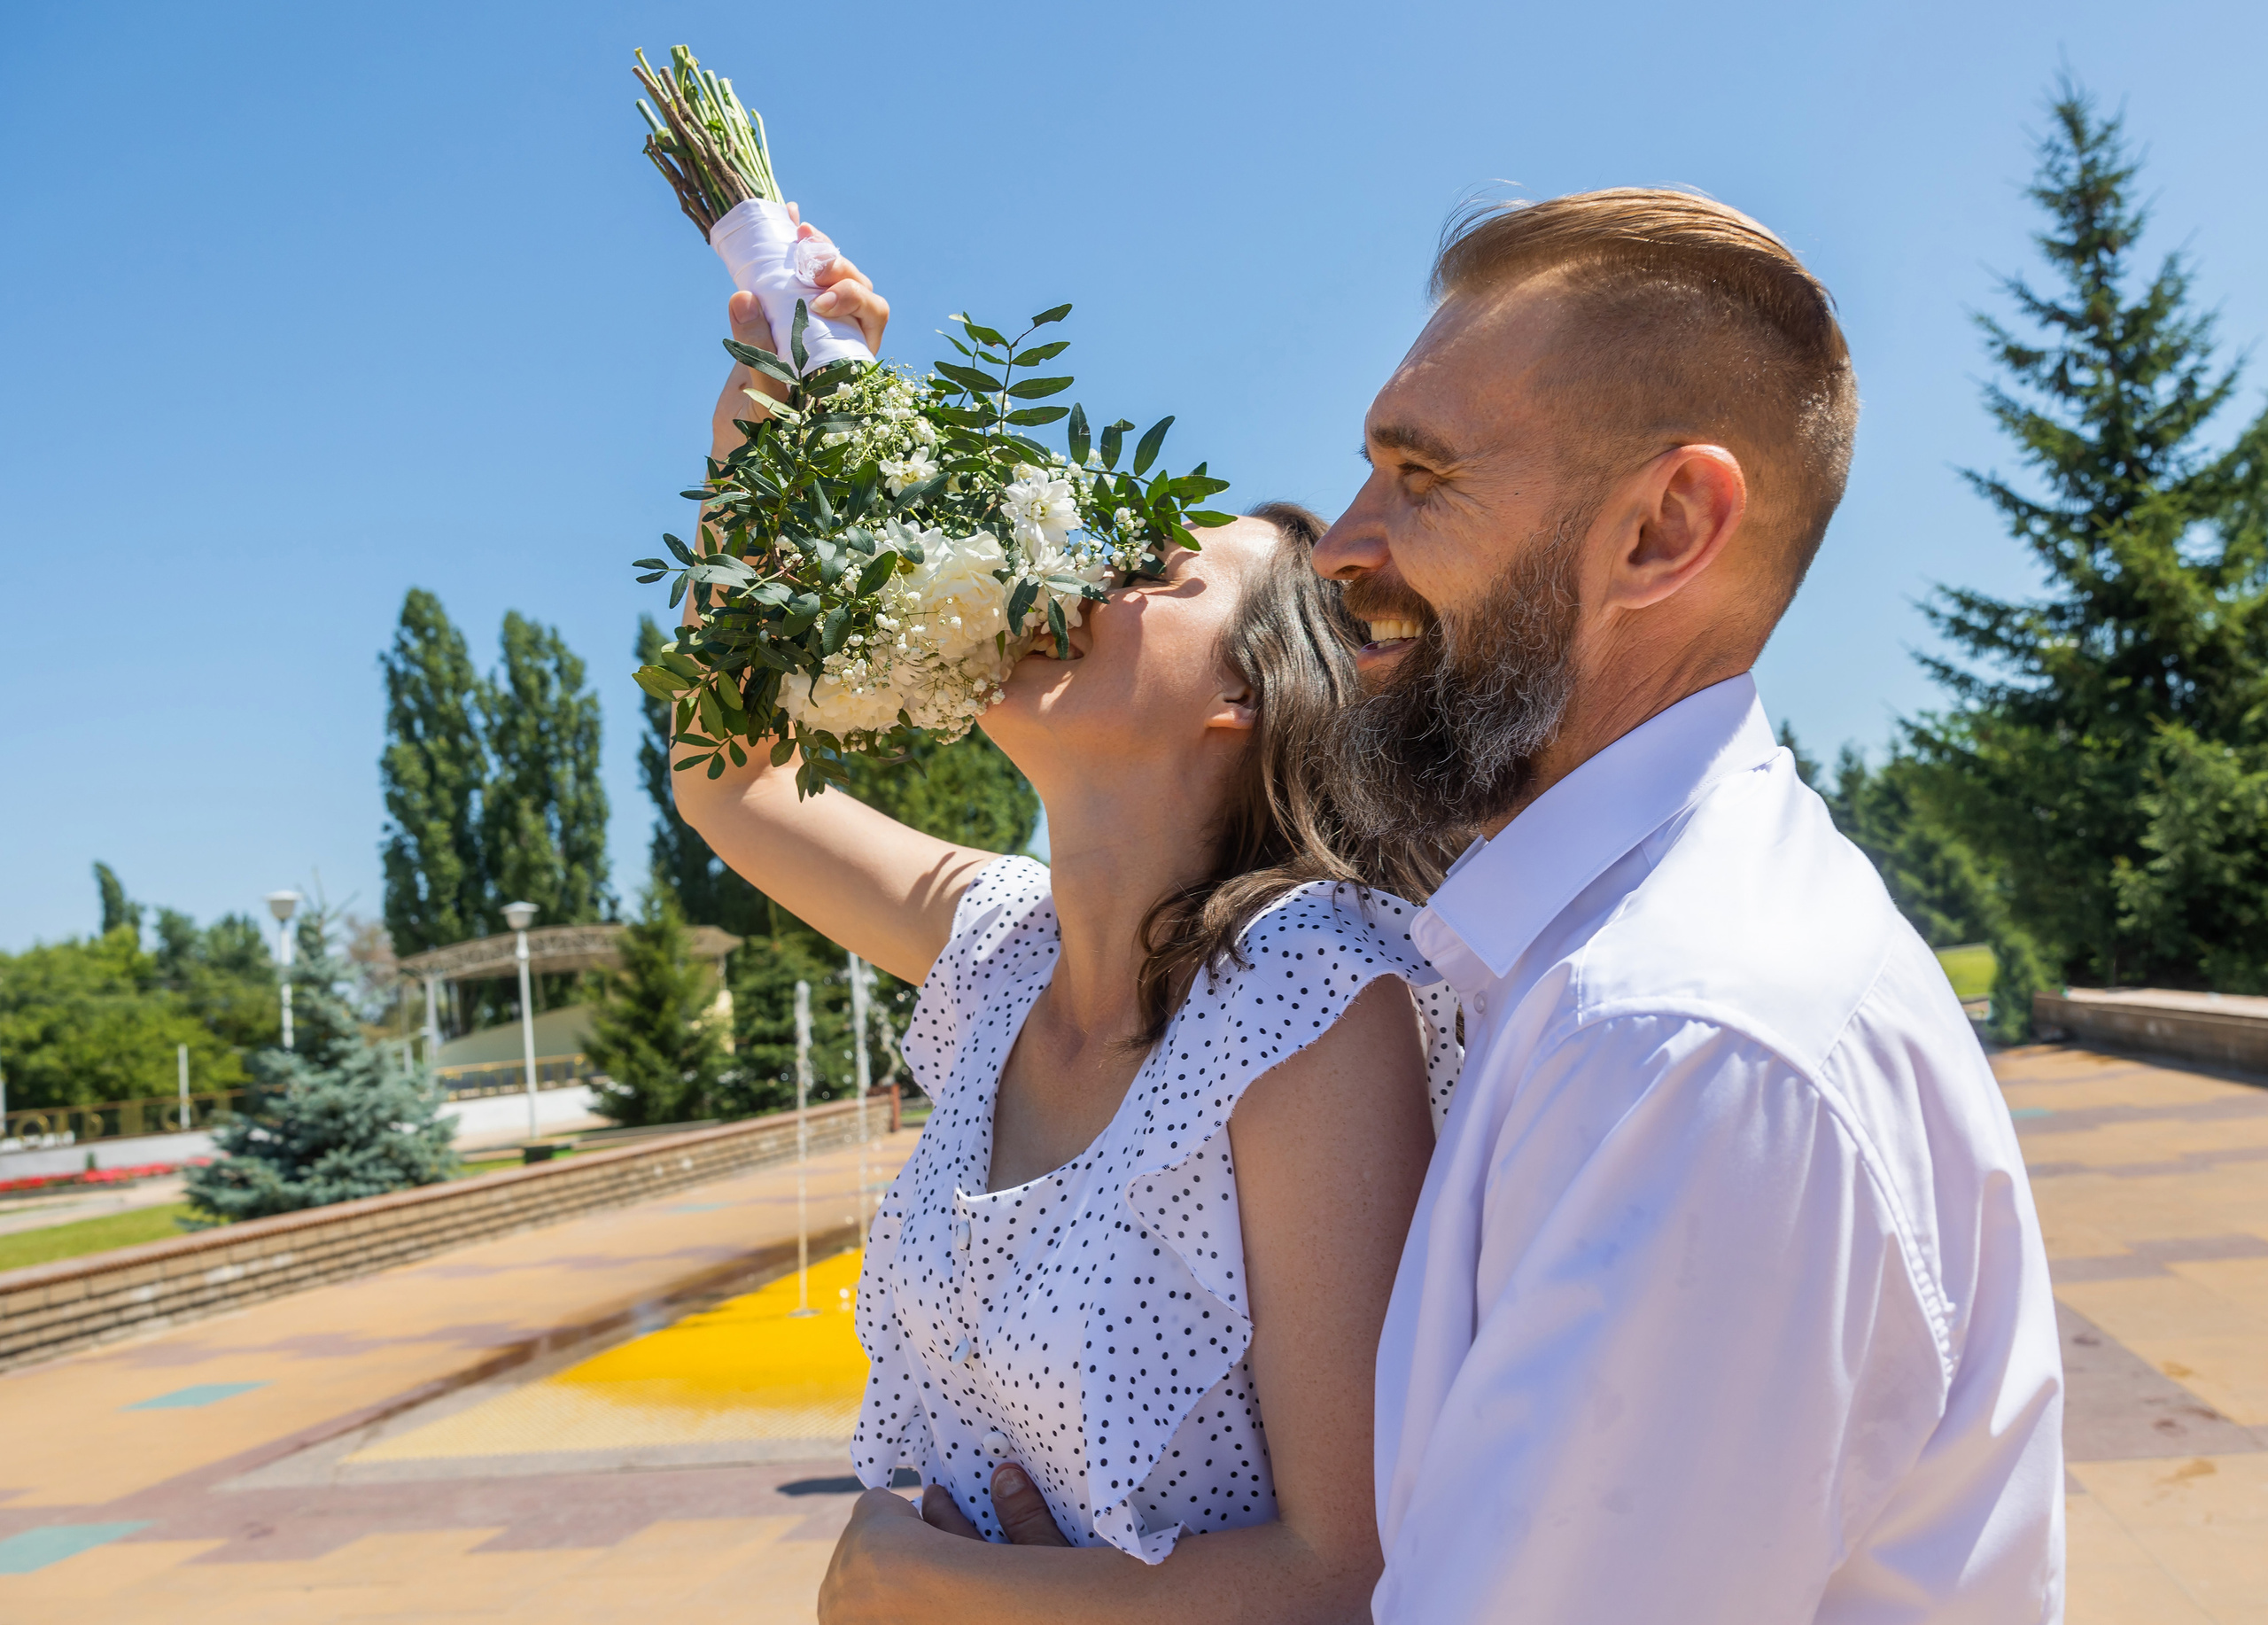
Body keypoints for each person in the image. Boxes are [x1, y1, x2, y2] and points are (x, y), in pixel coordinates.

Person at [670, 235, 1462, 1624]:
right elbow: (729, 779)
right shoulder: (1002, 949)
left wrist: (918, 1580)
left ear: (1247, 696)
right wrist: (761, 469)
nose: (1063, 580)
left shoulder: (1314, 1000)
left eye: (1146, 568)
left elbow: (1352, 1571)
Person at [1311, 190, 2067, 1621]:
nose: (1344, 546)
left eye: (1421, 476)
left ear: (1663, 529)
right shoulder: (1629, 972)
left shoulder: (1681, 1036)